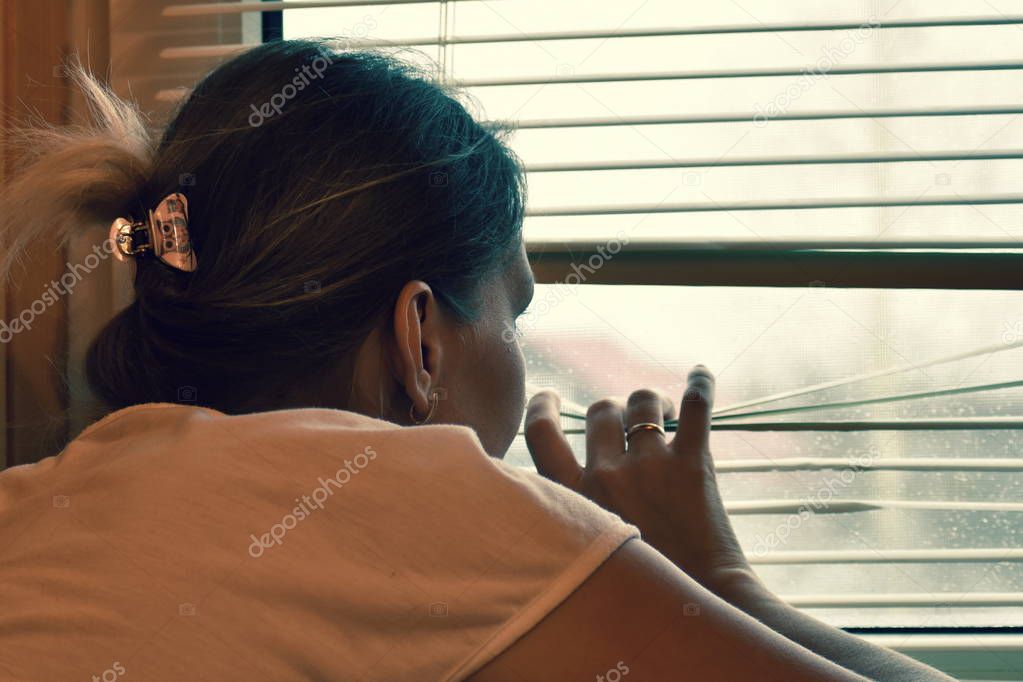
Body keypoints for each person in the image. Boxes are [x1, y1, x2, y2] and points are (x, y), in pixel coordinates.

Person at [0, 39, 953, 681]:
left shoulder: (36, 504)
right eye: (512, 316)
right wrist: (720, 578)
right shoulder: (404, 491)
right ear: (419, 340)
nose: (523, 368)